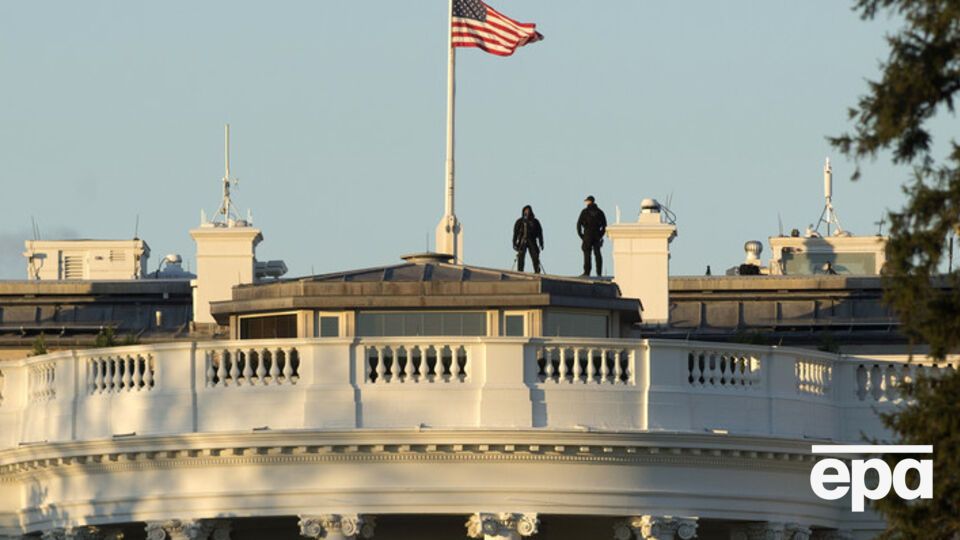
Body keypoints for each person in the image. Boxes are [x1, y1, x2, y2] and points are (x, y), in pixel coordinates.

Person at [577, 195, 607, 277]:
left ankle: (587, 272)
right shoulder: (600, 212)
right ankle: (599, 273)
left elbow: (578, 225)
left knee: (587, 253)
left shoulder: (584, 212)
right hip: (597, 234)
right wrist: (600, 235)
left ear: (589, 201)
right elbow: (604, 226)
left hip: (587, 235)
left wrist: (582, 236)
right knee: (597, 253)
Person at [513, 205, 544, 273]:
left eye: (528, 211)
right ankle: (520, 272)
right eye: (525, 211)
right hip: (522, 241)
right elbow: (515, 233)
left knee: (535, 256)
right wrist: (514, 243)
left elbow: (540, 233)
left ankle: (537, 271)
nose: (527, 212)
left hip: (532, 241)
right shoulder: (520, 222)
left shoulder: (535, 222)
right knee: (521, 257)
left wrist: (541, 243)